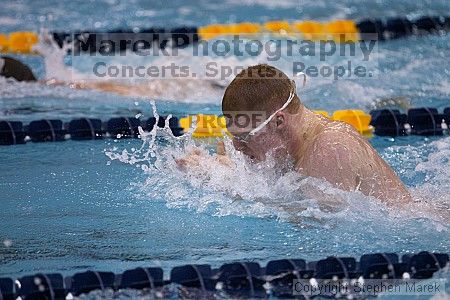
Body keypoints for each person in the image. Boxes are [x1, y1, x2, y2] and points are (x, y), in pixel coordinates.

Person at [178, 64, 411, 204]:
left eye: (245, 137)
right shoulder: (291, 150)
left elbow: (318, 224)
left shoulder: (331, 148)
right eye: (234, 136)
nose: (237, 147)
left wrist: (224, 184)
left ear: (279, 120)